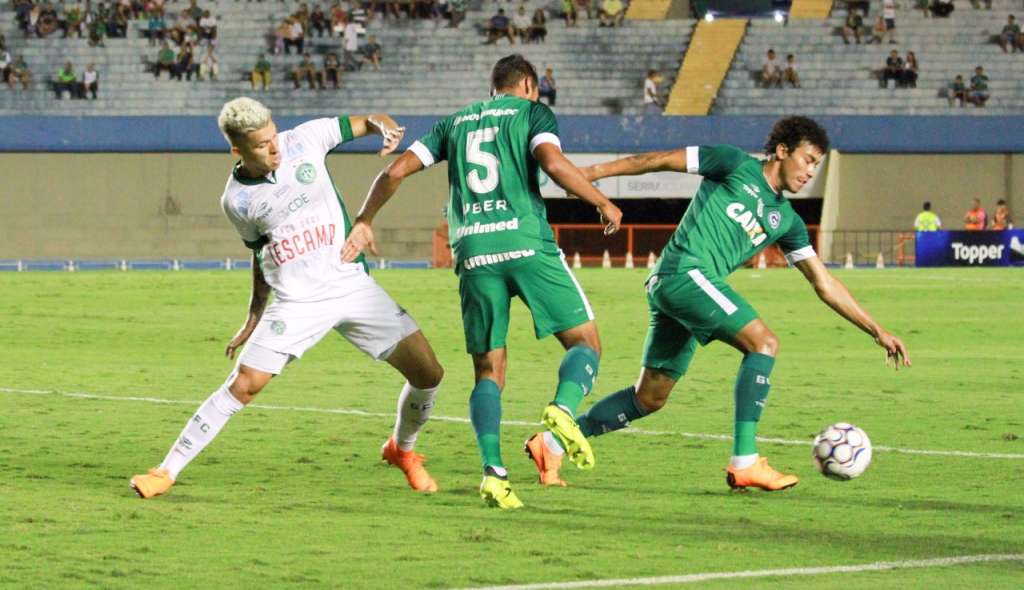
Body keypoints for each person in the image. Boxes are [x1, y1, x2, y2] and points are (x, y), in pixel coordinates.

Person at [521, 116, 910, 492]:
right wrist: (588, 176)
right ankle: (745, 462)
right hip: (683, 274)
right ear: (781, 150)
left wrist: (877, 330)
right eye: (808, 160)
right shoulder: (733, 163)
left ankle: (550, 445)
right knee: (764, 343)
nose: (811, 172)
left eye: (817, 166)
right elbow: (653, 161)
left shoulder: (786, 220)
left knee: (649, 398)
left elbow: (824, 282)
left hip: (684, 288)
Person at [340, 54, 623, 509]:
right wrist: (602, 203)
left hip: (472, 251)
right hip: (526, 241)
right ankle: (563, 409)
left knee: (489, 371)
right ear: (529, 84)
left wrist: (364, 218)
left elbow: (394, 171)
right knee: (585, 344)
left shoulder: (454, 123)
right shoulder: (533, 113)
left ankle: (493, 473)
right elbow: (552, 163)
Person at [130, 98, 445, 499]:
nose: (275, 146)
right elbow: (260, 254)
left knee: (428, 374)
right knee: (244, 384)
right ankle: (165, 471)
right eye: (261, 144)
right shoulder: (237, 202)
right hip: (296, 301)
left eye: (273, 134)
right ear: (237, 150)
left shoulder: (306, 139)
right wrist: (253, 314)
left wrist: (387, 127)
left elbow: (367, 120)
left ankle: (402, 451)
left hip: (351, 284)